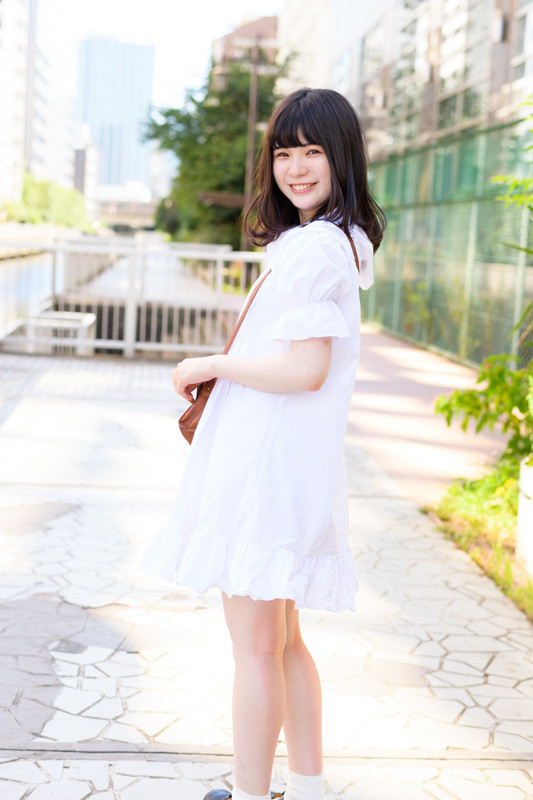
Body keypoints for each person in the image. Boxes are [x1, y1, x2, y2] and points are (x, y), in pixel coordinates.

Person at [141, 87, 386, 800]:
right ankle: (305, 789)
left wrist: (212, 364)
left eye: (313, 151)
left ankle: (250, 795)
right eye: (283, 153)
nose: (296, 168)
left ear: (342, 157)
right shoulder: (337, 243)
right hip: (292, 471)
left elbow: (306, 369)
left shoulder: (313, 248)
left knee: (255, 648)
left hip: (264, 475)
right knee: (283, 644)